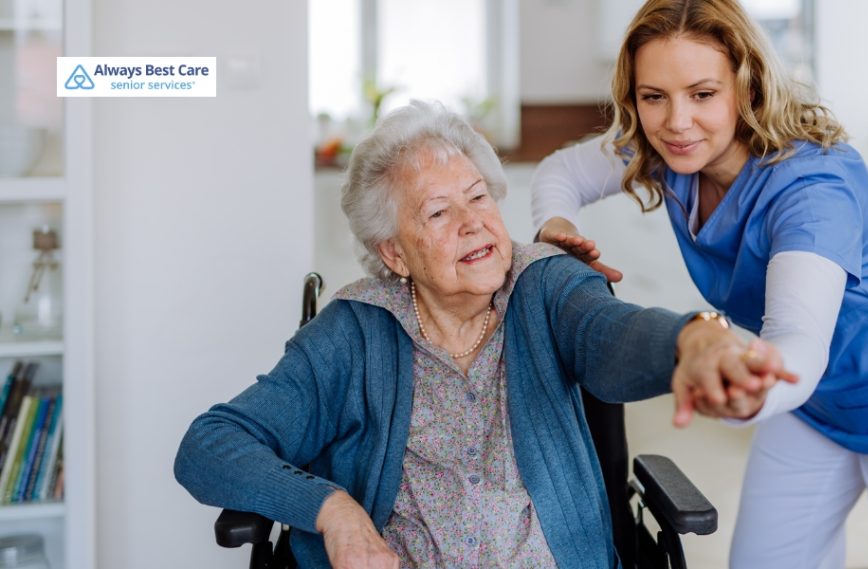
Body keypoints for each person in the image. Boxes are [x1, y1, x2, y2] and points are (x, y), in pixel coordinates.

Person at [174, 100, 792, 569]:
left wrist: (694, 340)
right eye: (439, 213)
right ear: (393, 252)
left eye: (478, 197)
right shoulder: (354, 331)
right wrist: (330, 510)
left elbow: (613, 333)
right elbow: (209, 444)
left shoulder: (546, 285)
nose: (474, 224)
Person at [529, 1, 868, 568]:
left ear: (749, 87)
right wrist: (556, 227)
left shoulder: (813, 192)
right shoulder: (670, 150)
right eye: (653, 96)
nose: (677, 120)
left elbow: (797, 343)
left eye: (703, 94)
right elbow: (561, 173)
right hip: (819, 406)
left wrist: (741, 387)